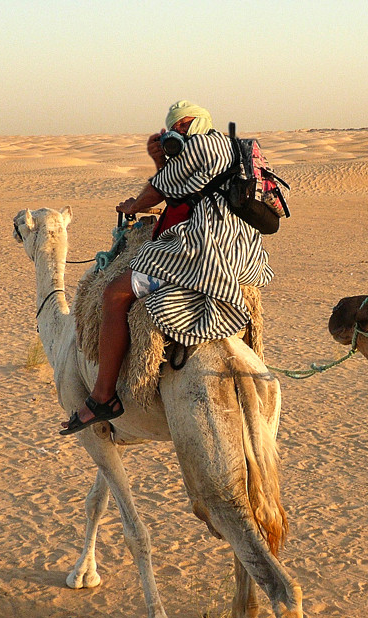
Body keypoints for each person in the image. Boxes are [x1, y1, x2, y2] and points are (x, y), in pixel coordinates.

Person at [61, 101, 273, 435]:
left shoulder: (202, 145)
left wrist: (135, 203)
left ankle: (103, 397)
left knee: (115, 292)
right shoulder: (233, 149)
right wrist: (163, 159)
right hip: (243, 256)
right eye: (176, 128)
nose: (181, 132)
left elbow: (158, 191)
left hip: (200, 253)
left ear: (202, 123)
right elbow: (187, 192)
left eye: (184, 125)